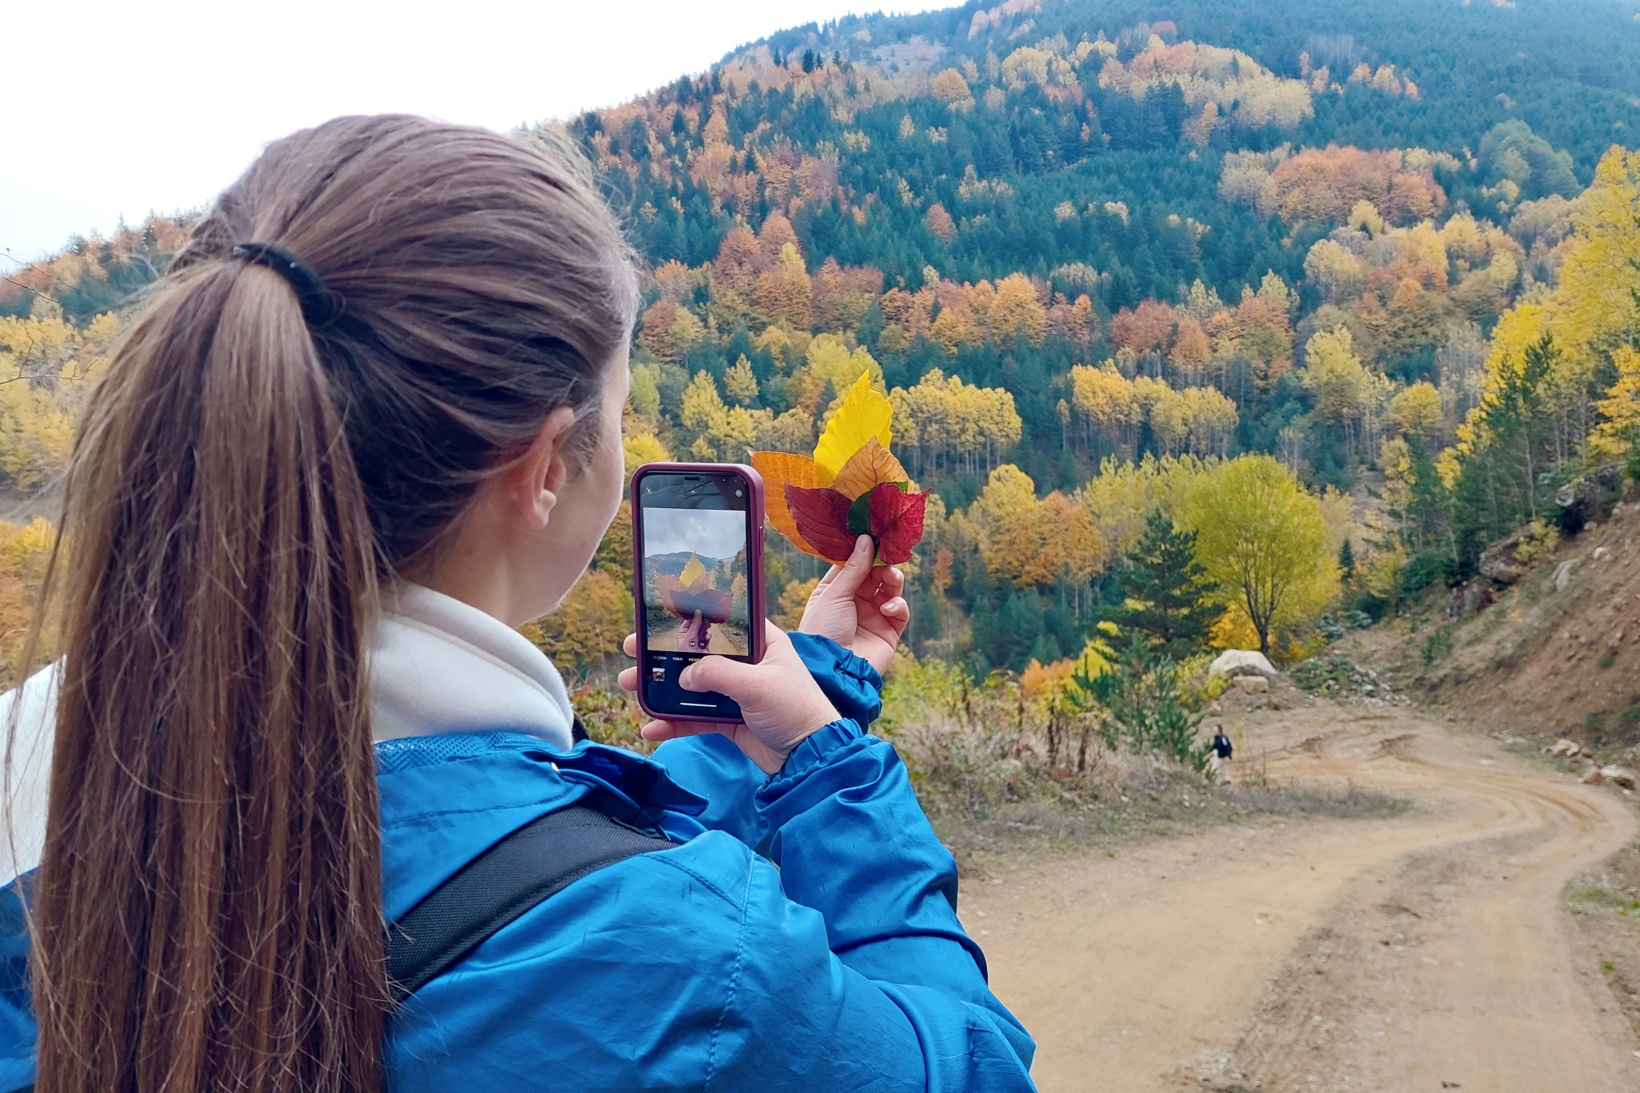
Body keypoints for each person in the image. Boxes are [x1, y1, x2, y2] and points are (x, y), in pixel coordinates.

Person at [0, 115, 1035, 1092]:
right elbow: (972, 1063)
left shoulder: (37, 775)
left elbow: (502, 847)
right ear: (544, 467)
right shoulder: (688, 963)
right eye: (620, 410)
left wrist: (807, 696)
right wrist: (831, 775)